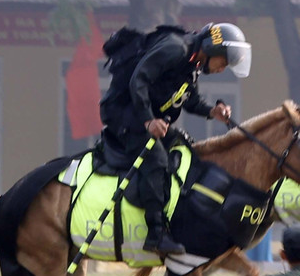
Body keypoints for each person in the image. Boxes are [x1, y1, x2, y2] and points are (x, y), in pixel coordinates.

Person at [99, 22, 251, 256]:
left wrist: (212, 111)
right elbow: (138, 80)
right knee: (157, 160)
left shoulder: (193, 63)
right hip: (123, 112)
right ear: (212, 48)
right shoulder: (175, 49)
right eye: (223, 62)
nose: (222, 69)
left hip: (145, 116)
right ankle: (155, 235)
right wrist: (148, 121)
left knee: (186, 148)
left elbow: (189, 100)